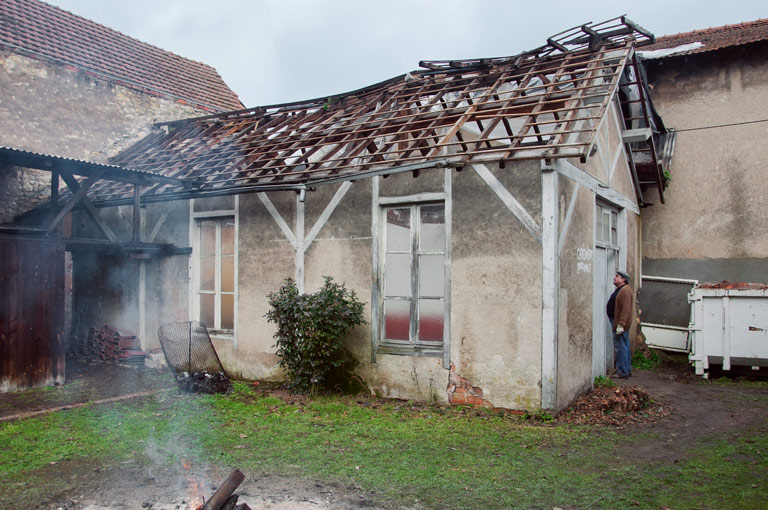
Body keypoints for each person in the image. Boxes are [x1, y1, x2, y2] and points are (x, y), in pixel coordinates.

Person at [606, 270, 633, 378]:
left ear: (623, 280)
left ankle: (622, 371)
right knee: (624, 345)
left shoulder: (625, 290)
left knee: (621, 347)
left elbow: (626, 309)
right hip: (618, 322)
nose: (614, 278)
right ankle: (626, 370)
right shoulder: (621, 289)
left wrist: (621, 324)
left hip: (619, 323)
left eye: (617, 276)